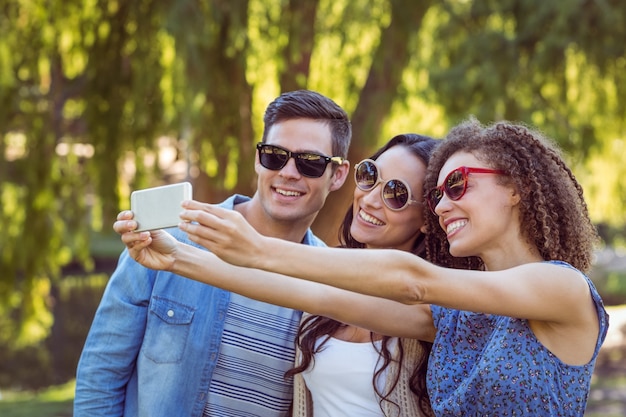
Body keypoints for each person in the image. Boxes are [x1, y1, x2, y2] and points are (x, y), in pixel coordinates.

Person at [126, 117, 609, 416]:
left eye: (458, 185)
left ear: (516, 187)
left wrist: (256, 248)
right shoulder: (461, 314)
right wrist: (180, 259)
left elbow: (414, 281)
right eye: (438, 194)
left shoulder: (562, 289)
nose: (442, 206)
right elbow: (311, 295)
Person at [115, 134, 439, 417]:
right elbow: (268, 285)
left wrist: (250, 248)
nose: (369, 199)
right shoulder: (330, 266)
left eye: (395, 194)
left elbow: (296, 290)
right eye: (369, 176)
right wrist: (175, 255)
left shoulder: (434, 303)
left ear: (427, 218)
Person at [73, 89, 352, 417]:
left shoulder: (330, 279)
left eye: (310, 163)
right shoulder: (168, 240)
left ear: (338, 175)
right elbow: (101, 373)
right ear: (257, 158)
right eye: (275, 155)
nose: (289, 172)